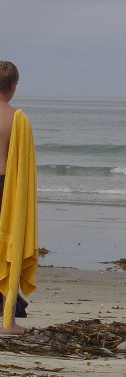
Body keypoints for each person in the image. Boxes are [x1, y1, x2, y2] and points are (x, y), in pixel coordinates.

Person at [0, 61, 38, 334]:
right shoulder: (17, 118)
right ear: (13, 86)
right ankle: (7, 322)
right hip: (6, 189)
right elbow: (22, 169)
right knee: (7, 251)